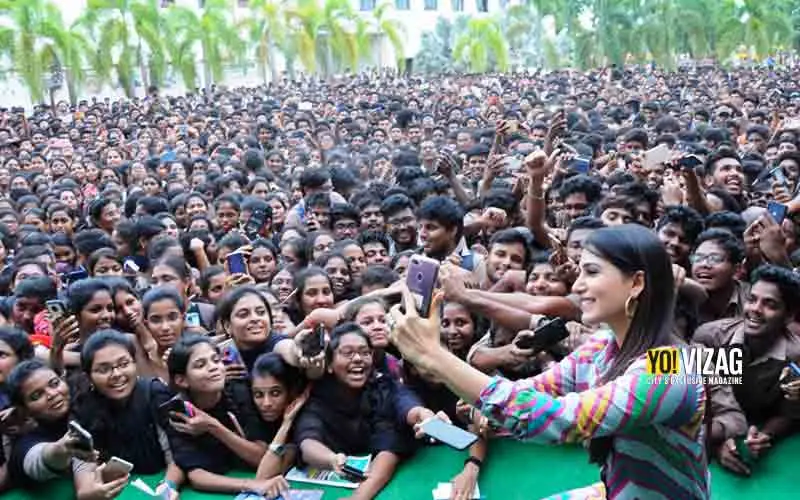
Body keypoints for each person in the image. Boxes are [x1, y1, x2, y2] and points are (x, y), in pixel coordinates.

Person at [389, 224, 709, 499]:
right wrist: (472, 409)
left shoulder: (671, 368)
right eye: (580, 271)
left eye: (592, 272)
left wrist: (435, 357)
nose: (579, 285)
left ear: (636, 283)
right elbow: (536, 389)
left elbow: (558, 420)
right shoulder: (601, 345)